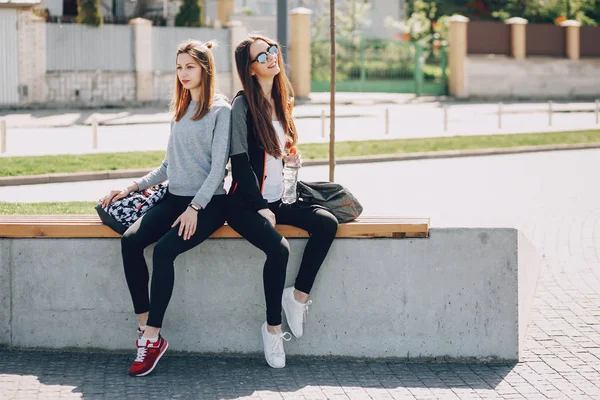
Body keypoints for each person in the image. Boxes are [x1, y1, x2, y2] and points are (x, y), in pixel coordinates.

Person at [101, 39, 231, 377]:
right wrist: (131, 187)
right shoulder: (180, 108)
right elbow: (167, 165)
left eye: (189, 66)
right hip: (174, 198)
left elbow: (219, 168)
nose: (183, 73)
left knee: (164, 252)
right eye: (179, 67)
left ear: (205, 68)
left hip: (210, 204)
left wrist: (196, 207)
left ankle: (153, 337)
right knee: (130, 241)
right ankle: (146, 329)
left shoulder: (221, 110)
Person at [227, 35, 339, 369]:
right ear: (249, 69)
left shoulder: (282, 98)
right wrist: (259, 205)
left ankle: (298, 296)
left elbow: (279, 150)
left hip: (279, 197)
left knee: (326, 223)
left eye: (273, 51)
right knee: (279, 248)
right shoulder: (242, 105)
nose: (272, 58)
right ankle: (273, 329)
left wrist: (291, 157)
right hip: (245, 203)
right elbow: (239, 160)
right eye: (262, 56)